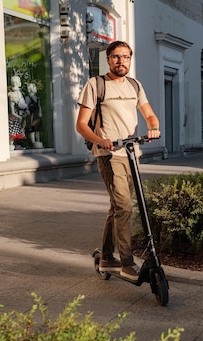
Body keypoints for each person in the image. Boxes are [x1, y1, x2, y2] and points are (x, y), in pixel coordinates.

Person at [76, 40, 160, 279]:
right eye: (116, 56)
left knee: (117, 208)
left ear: (130, 60)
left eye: (125, 57)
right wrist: (99, 140)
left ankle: (105, 257)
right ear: (108, 59)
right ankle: (125, 261)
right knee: (124, 206)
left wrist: (154, 127)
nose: (121, 61)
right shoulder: (96, 85)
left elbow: (150, 115)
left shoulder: (135, 86)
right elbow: (81, 124)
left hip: (131, 154)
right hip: (109, 154)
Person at [25, 82, 43, 148]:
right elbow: (26, 106)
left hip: (36, 114)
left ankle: (38, 141)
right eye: (34, 87)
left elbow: (39, 106)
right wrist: (27, 112)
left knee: (37, 129)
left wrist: (40, 113)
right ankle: (33, 142)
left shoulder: (37, 98)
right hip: (31, 115)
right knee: (32, 129)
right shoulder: (28, 97)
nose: (36, 89)